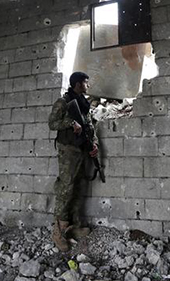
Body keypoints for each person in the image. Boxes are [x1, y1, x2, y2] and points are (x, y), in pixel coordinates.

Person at [48, 71, 99, 252]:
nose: (88, 86)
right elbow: (52, 123)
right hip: (68, 150)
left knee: (77, 186)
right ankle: (58, 231)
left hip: (81, 150)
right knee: (66, 188)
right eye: (86, 82)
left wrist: (94, 144)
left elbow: (89, 126)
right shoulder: (63, 102)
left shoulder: (84, 104)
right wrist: (70, 122)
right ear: (78, 84)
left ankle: (74, 226)